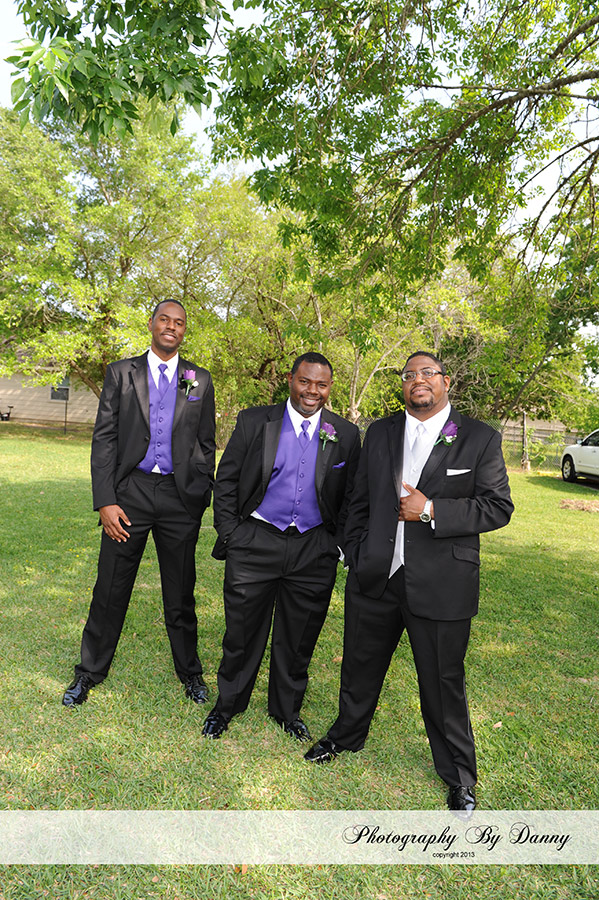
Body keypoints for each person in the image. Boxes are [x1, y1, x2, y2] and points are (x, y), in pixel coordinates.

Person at [304, 351, 513, 812]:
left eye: (428, 373)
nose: (418, 380)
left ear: (446, 381)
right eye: (409, 374)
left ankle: (459, 775)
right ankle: (346, 736)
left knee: (442, 681)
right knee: (359, 666)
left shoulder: (479, 438)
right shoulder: (380, 432)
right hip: (376, 573)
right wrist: (355, 552)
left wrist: (432, 509)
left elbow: (498, 507)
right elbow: (358, 498)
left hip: (441, 582)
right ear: (403, 385)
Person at [62, 299, 215, 707]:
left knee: (180, 592)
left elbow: (206, 442)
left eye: (179, 322)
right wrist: (106, 500)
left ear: (184, 330)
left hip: (179, 498)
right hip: (130, 494)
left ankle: (191, 674)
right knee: (110, 588)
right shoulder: (121, 373)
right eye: (164, 319)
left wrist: (199, 494)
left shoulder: (199, 379)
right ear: (151, 324)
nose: (171, 326)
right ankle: (88, 672)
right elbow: (104, 439)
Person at [202, 352, 361, 742]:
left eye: (321, 385)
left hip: (314, 547)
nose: (312, 391)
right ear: (291, 380)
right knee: (241, 632)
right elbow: (227, 480)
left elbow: (353, 496)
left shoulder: (345, 434)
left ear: (330, 388)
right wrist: (232, 534)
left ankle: (287, 711)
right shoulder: (255, 421)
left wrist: (336, 544)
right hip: (255, 541)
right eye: (305, 381)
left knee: (299, 636)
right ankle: (227, 706)